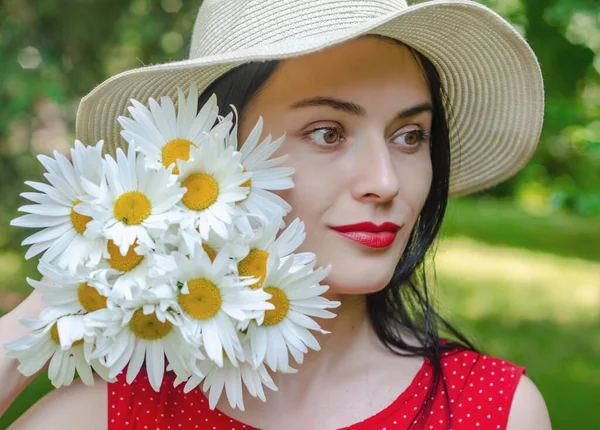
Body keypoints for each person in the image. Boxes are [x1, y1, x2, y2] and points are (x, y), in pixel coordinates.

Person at [1, 0, 552, 428]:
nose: (386, 182)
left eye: (411, 135)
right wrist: (70, 286)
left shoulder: (493, 414)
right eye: (327, 133)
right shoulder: (112, 413)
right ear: (206, 156)